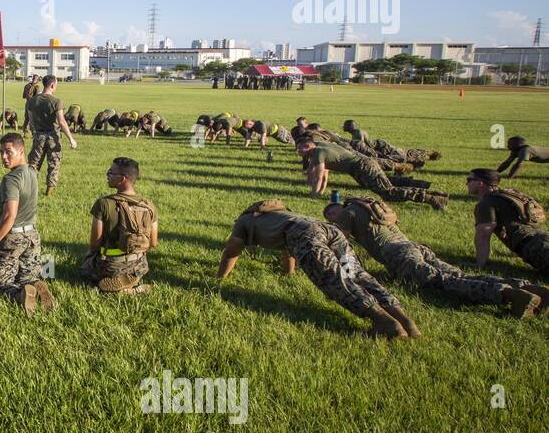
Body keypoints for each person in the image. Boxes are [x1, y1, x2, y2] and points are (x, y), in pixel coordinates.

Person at [217, 199, 418, 337]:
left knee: (335, 279)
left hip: (305, 235)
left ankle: (384, 322)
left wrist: (220, 279)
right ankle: (405, 320)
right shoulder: (281, 215)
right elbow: (287, 249)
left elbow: (231, 250)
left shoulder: (245, 220)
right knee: (356, 274)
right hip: (330, 231)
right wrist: (288, 273)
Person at [324, 196, 545, 317]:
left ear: (339, 209)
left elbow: (340, 244)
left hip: (399, 255)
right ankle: (528, 288)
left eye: (330, 214)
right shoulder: (371, 207)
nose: (332, 219)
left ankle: (507, 294)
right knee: (459, 274)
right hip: (415, 247)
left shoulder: (348, 213)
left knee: (443, 282)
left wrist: (348, 274)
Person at [0, 133, 53, 313]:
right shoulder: (31, 172)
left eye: (8, 152)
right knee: (27, 278)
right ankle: (37, 285)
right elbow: (15, 201)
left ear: (21, 151)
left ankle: (19, 296)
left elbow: (9, 215)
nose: (3, 156)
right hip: (32, 237)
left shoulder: (11, 179)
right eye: (1, 152)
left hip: (13, 239)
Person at [297, 137, 447, 208]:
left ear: (308, 145)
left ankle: (431, 198)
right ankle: (430, 190)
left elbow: (319, 175)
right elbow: (323, 173)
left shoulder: (317, 151)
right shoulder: (320, 146)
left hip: (362, 167)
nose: (298, 152)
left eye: (300, 148)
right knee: (390, 183)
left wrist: (314, 194)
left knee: (388, 192)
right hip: (362, 166)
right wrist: (319, 191)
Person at [80, 156, 157, 294]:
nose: (107, 174)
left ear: (122, 179)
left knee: (84, 270)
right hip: (139, 264)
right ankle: (133, 281)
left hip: (111, 265)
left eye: (111, 172)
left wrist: (91, 255)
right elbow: (153, 243)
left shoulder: (104, 204)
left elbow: (94, 243)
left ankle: (121, 288)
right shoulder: (149, 205)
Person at [467, 167, 549, 277]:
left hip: (536, 249)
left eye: (469, 180)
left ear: (480, 183)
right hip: (542, 238)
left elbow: (483, 235)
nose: (466, 183)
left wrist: (479, 266)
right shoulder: (508, 196)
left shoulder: (486, 204)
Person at [25, 75, 78, 196]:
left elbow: (31, 119)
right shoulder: (56, 101)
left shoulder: (32, 101)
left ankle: (29, 189)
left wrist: (35, 132)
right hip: (53, 137)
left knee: (34, 163)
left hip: (38, 136)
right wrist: (71, 139)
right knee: (54, 164)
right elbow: (61, 122)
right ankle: (49, 192)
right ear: (52, 85)